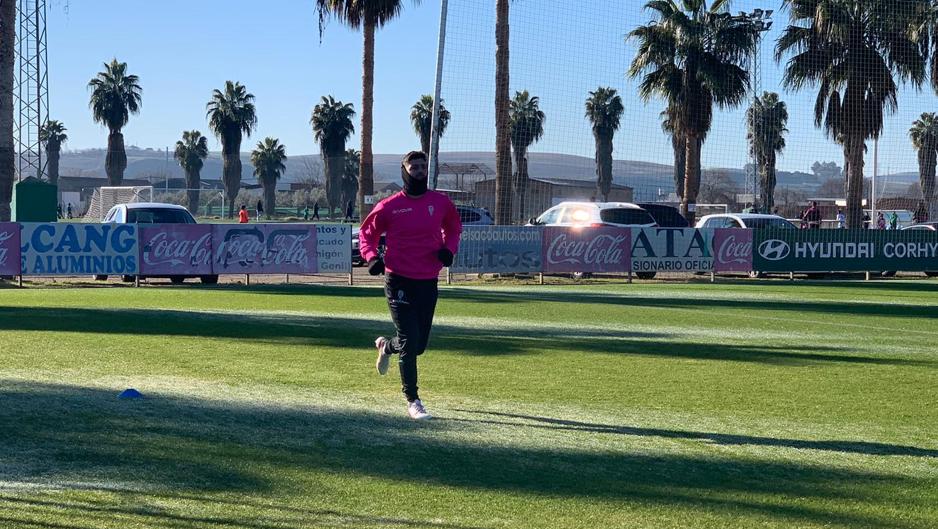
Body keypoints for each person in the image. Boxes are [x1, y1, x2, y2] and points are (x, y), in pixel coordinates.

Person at [359, 150, 462, 420]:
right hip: (398, 280)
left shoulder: (439, 202)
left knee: (417, 346)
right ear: (404, 170)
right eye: (413, 166)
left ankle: (385, 346)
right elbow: (366, 234)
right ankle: (413, 400)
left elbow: (454, 228)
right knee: (408, 338)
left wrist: (448, 250)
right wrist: (371, 258)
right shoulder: (390, 206)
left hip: (427, 280)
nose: (418, 170)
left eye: (421, 166)